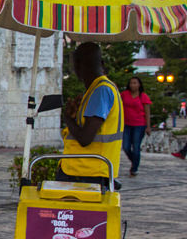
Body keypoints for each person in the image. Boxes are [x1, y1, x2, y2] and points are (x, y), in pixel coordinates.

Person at [58, 42, 123, 188]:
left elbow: (85, 138)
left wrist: (68, 119)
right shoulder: (97, 89)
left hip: (88, 171)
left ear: (77, 67)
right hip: (85, 169)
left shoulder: (101, 91)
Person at [120, 77, 152, 177]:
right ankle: (135, 161)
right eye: (131, 83)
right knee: (125, 147)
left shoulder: (143, 96)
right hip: (126, 124)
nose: (133, 85)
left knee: (136, 146)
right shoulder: (124, 94)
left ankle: (134, 168)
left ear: (139, 85)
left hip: (139, 125)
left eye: (135, 83)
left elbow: (147, 112)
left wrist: (148, 126)